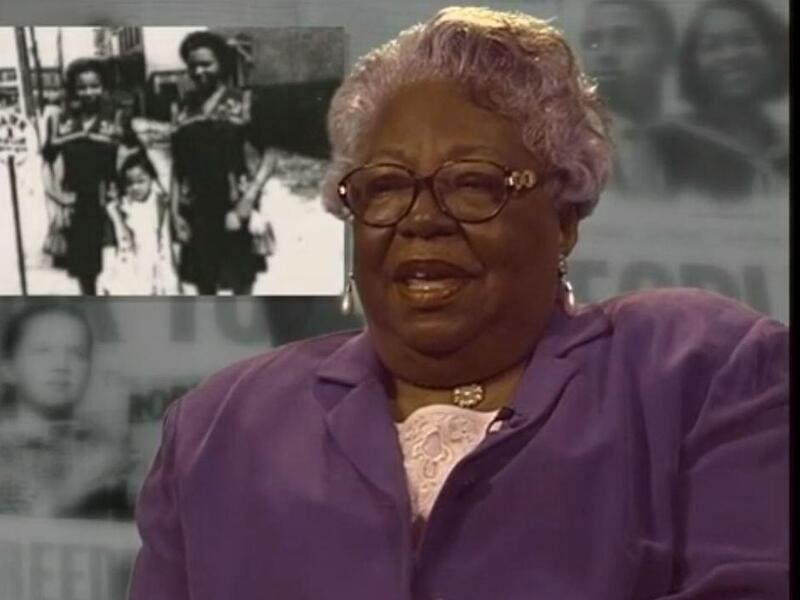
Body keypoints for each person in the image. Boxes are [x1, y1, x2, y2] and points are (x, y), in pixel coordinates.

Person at [130, 8, 788, 599]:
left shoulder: (699, 372)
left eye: (472, 184)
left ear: (563, 216)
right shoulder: (218, 428)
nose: (422, 220)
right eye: (384, 187)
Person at [0, 303, 131, 519]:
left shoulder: (111, 454)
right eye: (43, 351)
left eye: (77, 354)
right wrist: (72, 490)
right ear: (8, 369)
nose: (61, 365)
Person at [170, 31, 277, 295]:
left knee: (241, 283)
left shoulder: (244, 102)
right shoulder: (182, 108)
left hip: (234, 206)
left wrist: (248, 200)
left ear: (222, 64)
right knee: (204, 284)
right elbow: (177, 167)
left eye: (206, 63)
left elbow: (271, 153)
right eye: (192, 65)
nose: (198, 71)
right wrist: (174, 214)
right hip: (196, 210)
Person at [658, 0, 788, 202]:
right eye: (712, 46)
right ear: (692, 62)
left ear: (772, 50)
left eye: (744, 41)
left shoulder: (781, 144)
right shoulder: (666, 144)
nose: (730, 55)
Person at [41, 58, 143, 295]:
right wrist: (57, 197)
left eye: (95, 86)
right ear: (73, 90)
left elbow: (136, 158)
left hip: (107, 203)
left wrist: (129, 192)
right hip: (76, 205)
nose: (89, 92)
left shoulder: (116, 118)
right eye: (82, 87)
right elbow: (47, 162)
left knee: (113, 269)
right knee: (85, 273)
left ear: (104, 86)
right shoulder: (63, 121)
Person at [579, 0, 677, 199]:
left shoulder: (695, 149)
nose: (605, 54)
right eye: (593, 42)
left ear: (666, 52)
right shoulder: (556, 150)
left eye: (624, 39)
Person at [99, 152, 178, 295]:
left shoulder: (159, 207)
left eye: (141, 181)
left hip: (154, 272)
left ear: (151, 179)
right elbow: (109, 248)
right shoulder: (117, 210)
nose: (135, 187)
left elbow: (165, 246)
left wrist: (170, 282)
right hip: (125, 271)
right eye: (130, 183)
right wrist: (107, 279)